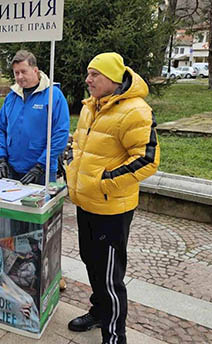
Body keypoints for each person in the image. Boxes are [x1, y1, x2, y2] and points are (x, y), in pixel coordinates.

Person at [66, 53, 160, 344]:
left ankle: (115, 335)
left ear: (112, 78)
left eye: (94, 74)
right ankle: (98, 312)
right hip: (87, 204)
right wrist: (70, 164)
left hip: (111, 209)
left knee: (109, 275)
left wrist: (103, 181)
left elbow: (147, 159)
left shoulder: (136, 111)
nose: (87, 80)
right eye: (88, 73)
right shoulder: (89, 107)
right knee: (90, 261)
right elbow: (80, 145)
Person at [0, 50, 70, 185]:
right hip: (13, 168)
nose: (19, 77)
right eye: (16, 73)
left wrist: (41, 166)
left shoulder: (53, 95)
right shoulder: (12, 96)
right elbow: (0, 128)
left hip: (42, 171)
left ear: (35, 70)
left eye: (24, 71)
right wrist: (0, 158)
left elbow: (60, 134)